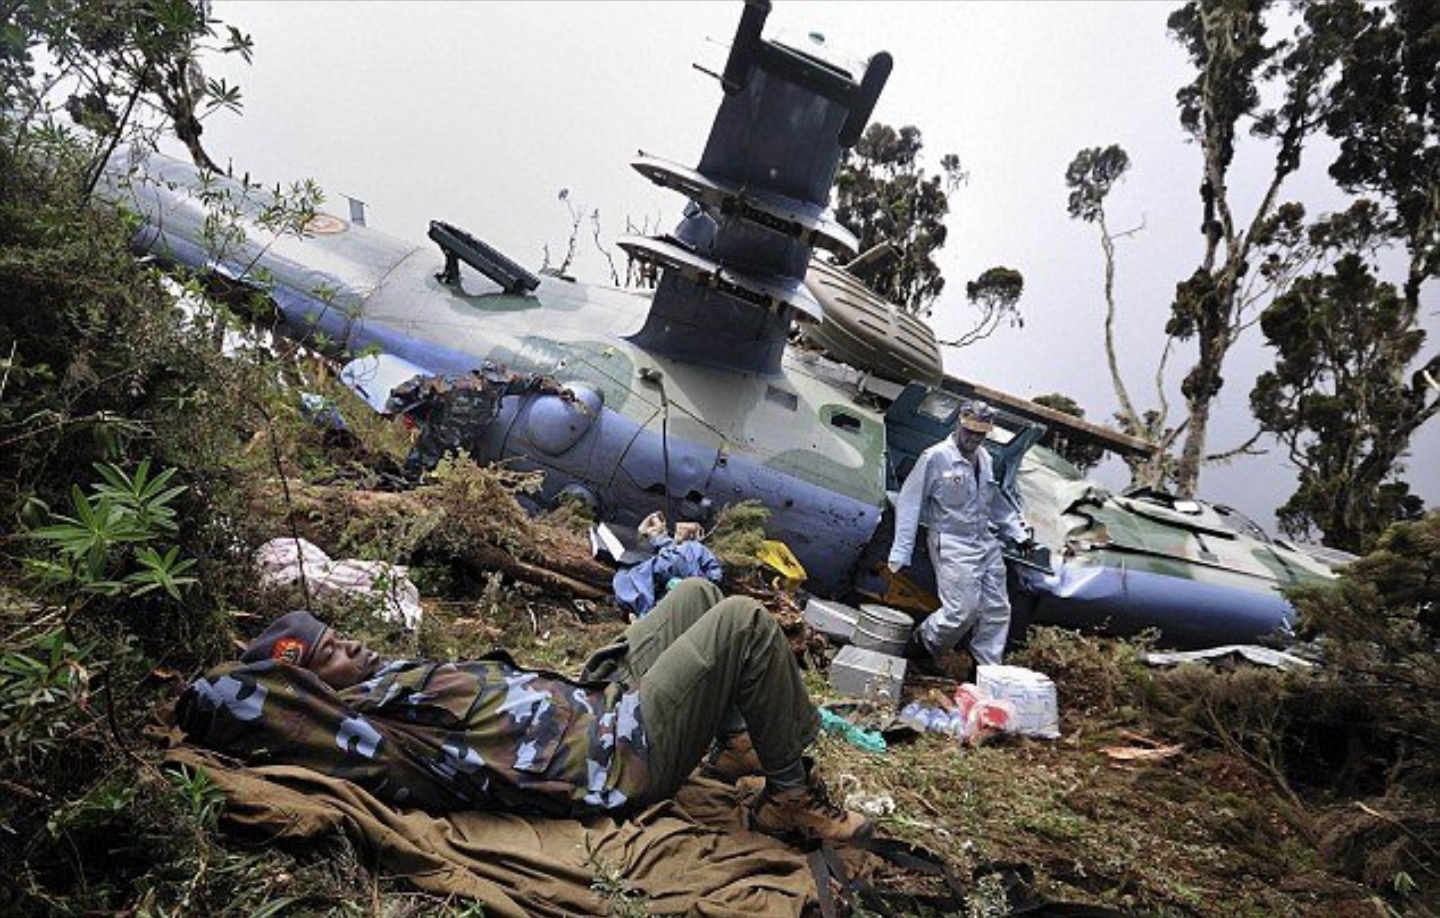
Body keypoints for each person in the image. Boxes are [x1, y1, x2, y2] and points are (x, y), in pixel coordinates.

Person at [176, 579, 870, 844]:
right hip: (612, 755)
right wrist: (263, 666)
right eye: (329, 650)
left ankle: (738, 744)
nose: (350, 642)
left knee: (695, 593)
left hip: (595, 704)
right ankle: (789, 798)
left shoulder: (386, 675)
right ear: (306, 685)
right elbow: (227, 698)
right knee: (745, 623)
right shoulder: (362, 728)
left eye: (339, 633)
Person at [887, 400, 1032, 673]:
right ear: (958, 424)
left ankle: (985, 671)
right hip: (952, 540)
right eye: (969, 431)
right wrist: (900, 551)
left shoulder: (986, 459)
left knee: (997, 611)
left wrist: (1018, 533)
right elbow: (909, 501)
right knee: (961, 612)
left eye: (980, 433)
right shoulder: (936, 457)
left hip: (985, 540)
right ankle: (920, 646)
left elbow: (994, 501)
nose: (973, 438)